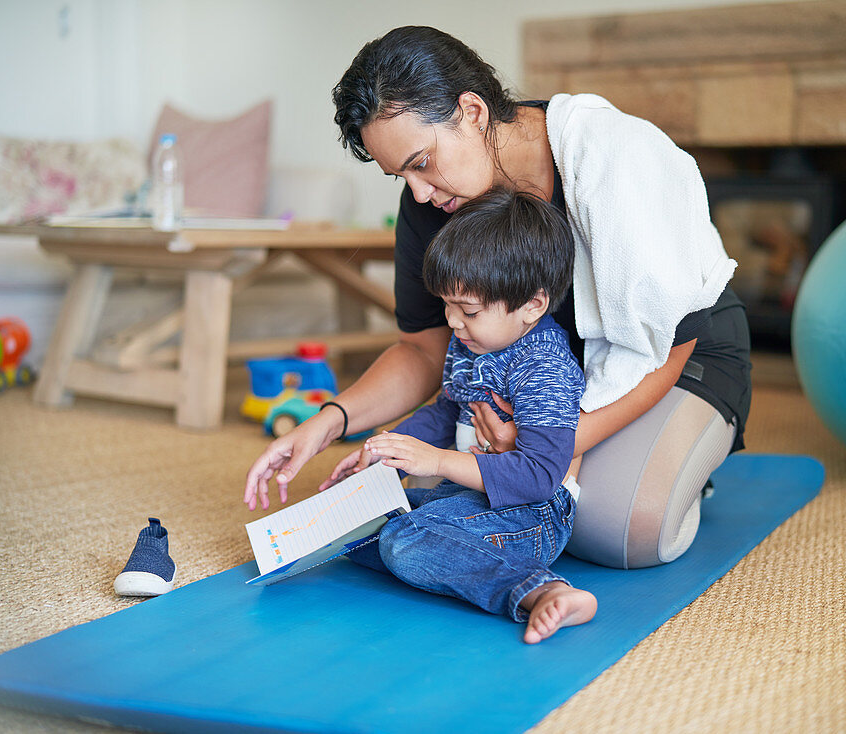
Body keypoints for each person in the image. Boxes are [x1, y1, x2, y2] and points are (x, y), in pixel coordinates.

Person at [243, 25, 752, 571]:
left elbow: (670, 344)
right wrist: (329, 421)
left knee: (621, 531)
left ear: (472, 112)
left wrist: (547, 444)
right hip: (533, 381)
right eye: (401, 175)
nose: (417, 193)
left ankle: (689, 470)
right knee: (472, 496)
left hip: (679, 358)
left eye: (420, 163)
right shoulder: (432, 201)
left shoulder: (613, 156)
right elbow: (422, 350)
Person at [326, 187, 594, 643]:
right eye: (447, 306)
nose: (452, 322)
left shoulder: (544, 367)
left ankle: (541, 590)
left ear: (533, 303)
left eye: (467, 310)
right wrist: (385, 450)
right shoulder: (474, 340)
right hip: (467, 500)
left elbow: (539, 477)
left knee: (403, 542)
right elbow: (449, 409)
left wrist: (432, 461)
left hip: (531, 514)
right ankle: (443, 548)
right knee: (357, 522)